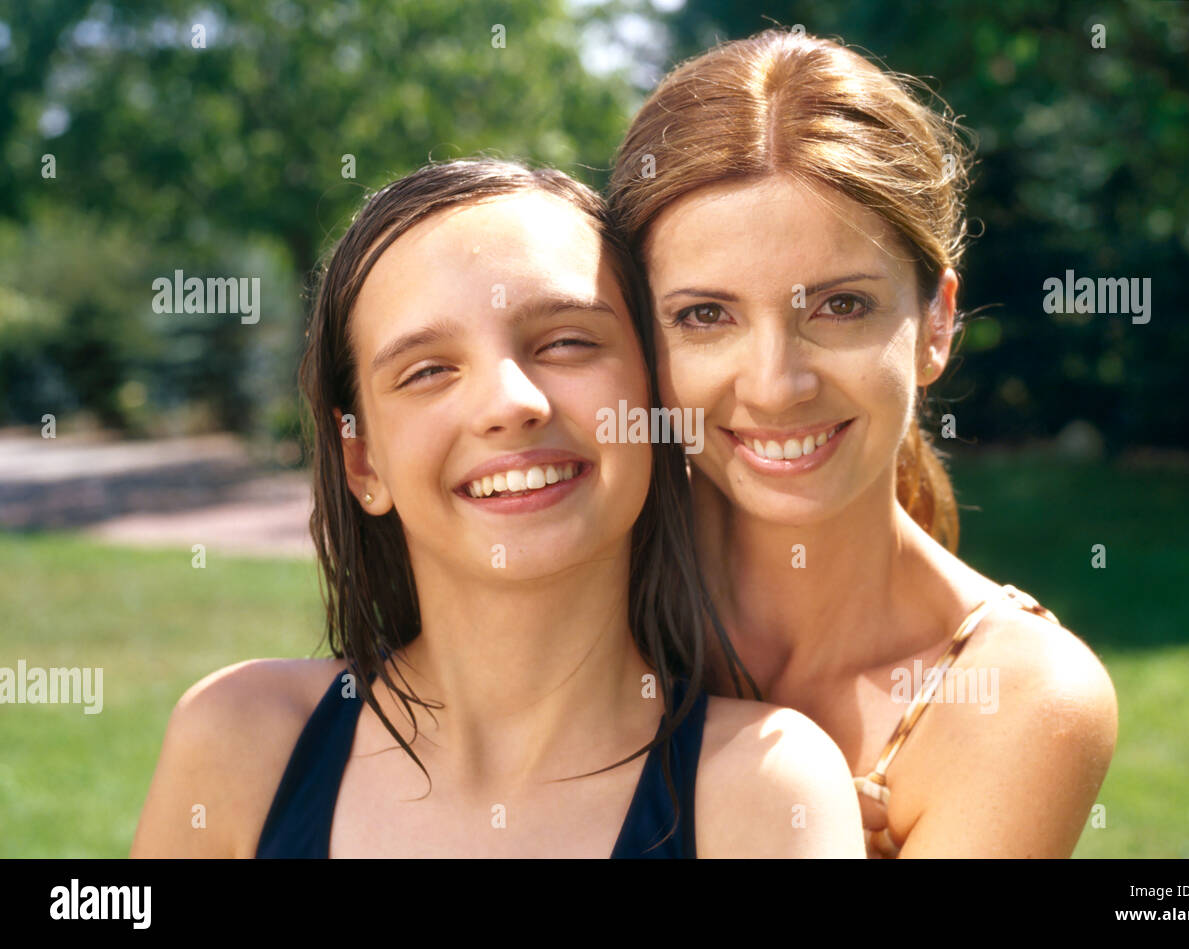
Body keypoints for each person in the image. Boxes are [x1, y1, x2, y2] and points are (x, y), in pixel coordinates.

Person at [130, 158, 865, 859]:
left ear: (657, 399)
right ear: (362, 459)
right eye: (427, 370)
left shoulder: (764, 791)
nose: (512, 403)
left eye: (569, 341)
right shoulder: (240, 740)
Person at [608, 30, 1118, 858]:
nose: (776, 385)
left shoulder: (1019, 699)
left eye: (840, 306)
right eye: (706, 315)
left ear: (937, 321)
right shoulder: (578, 596)